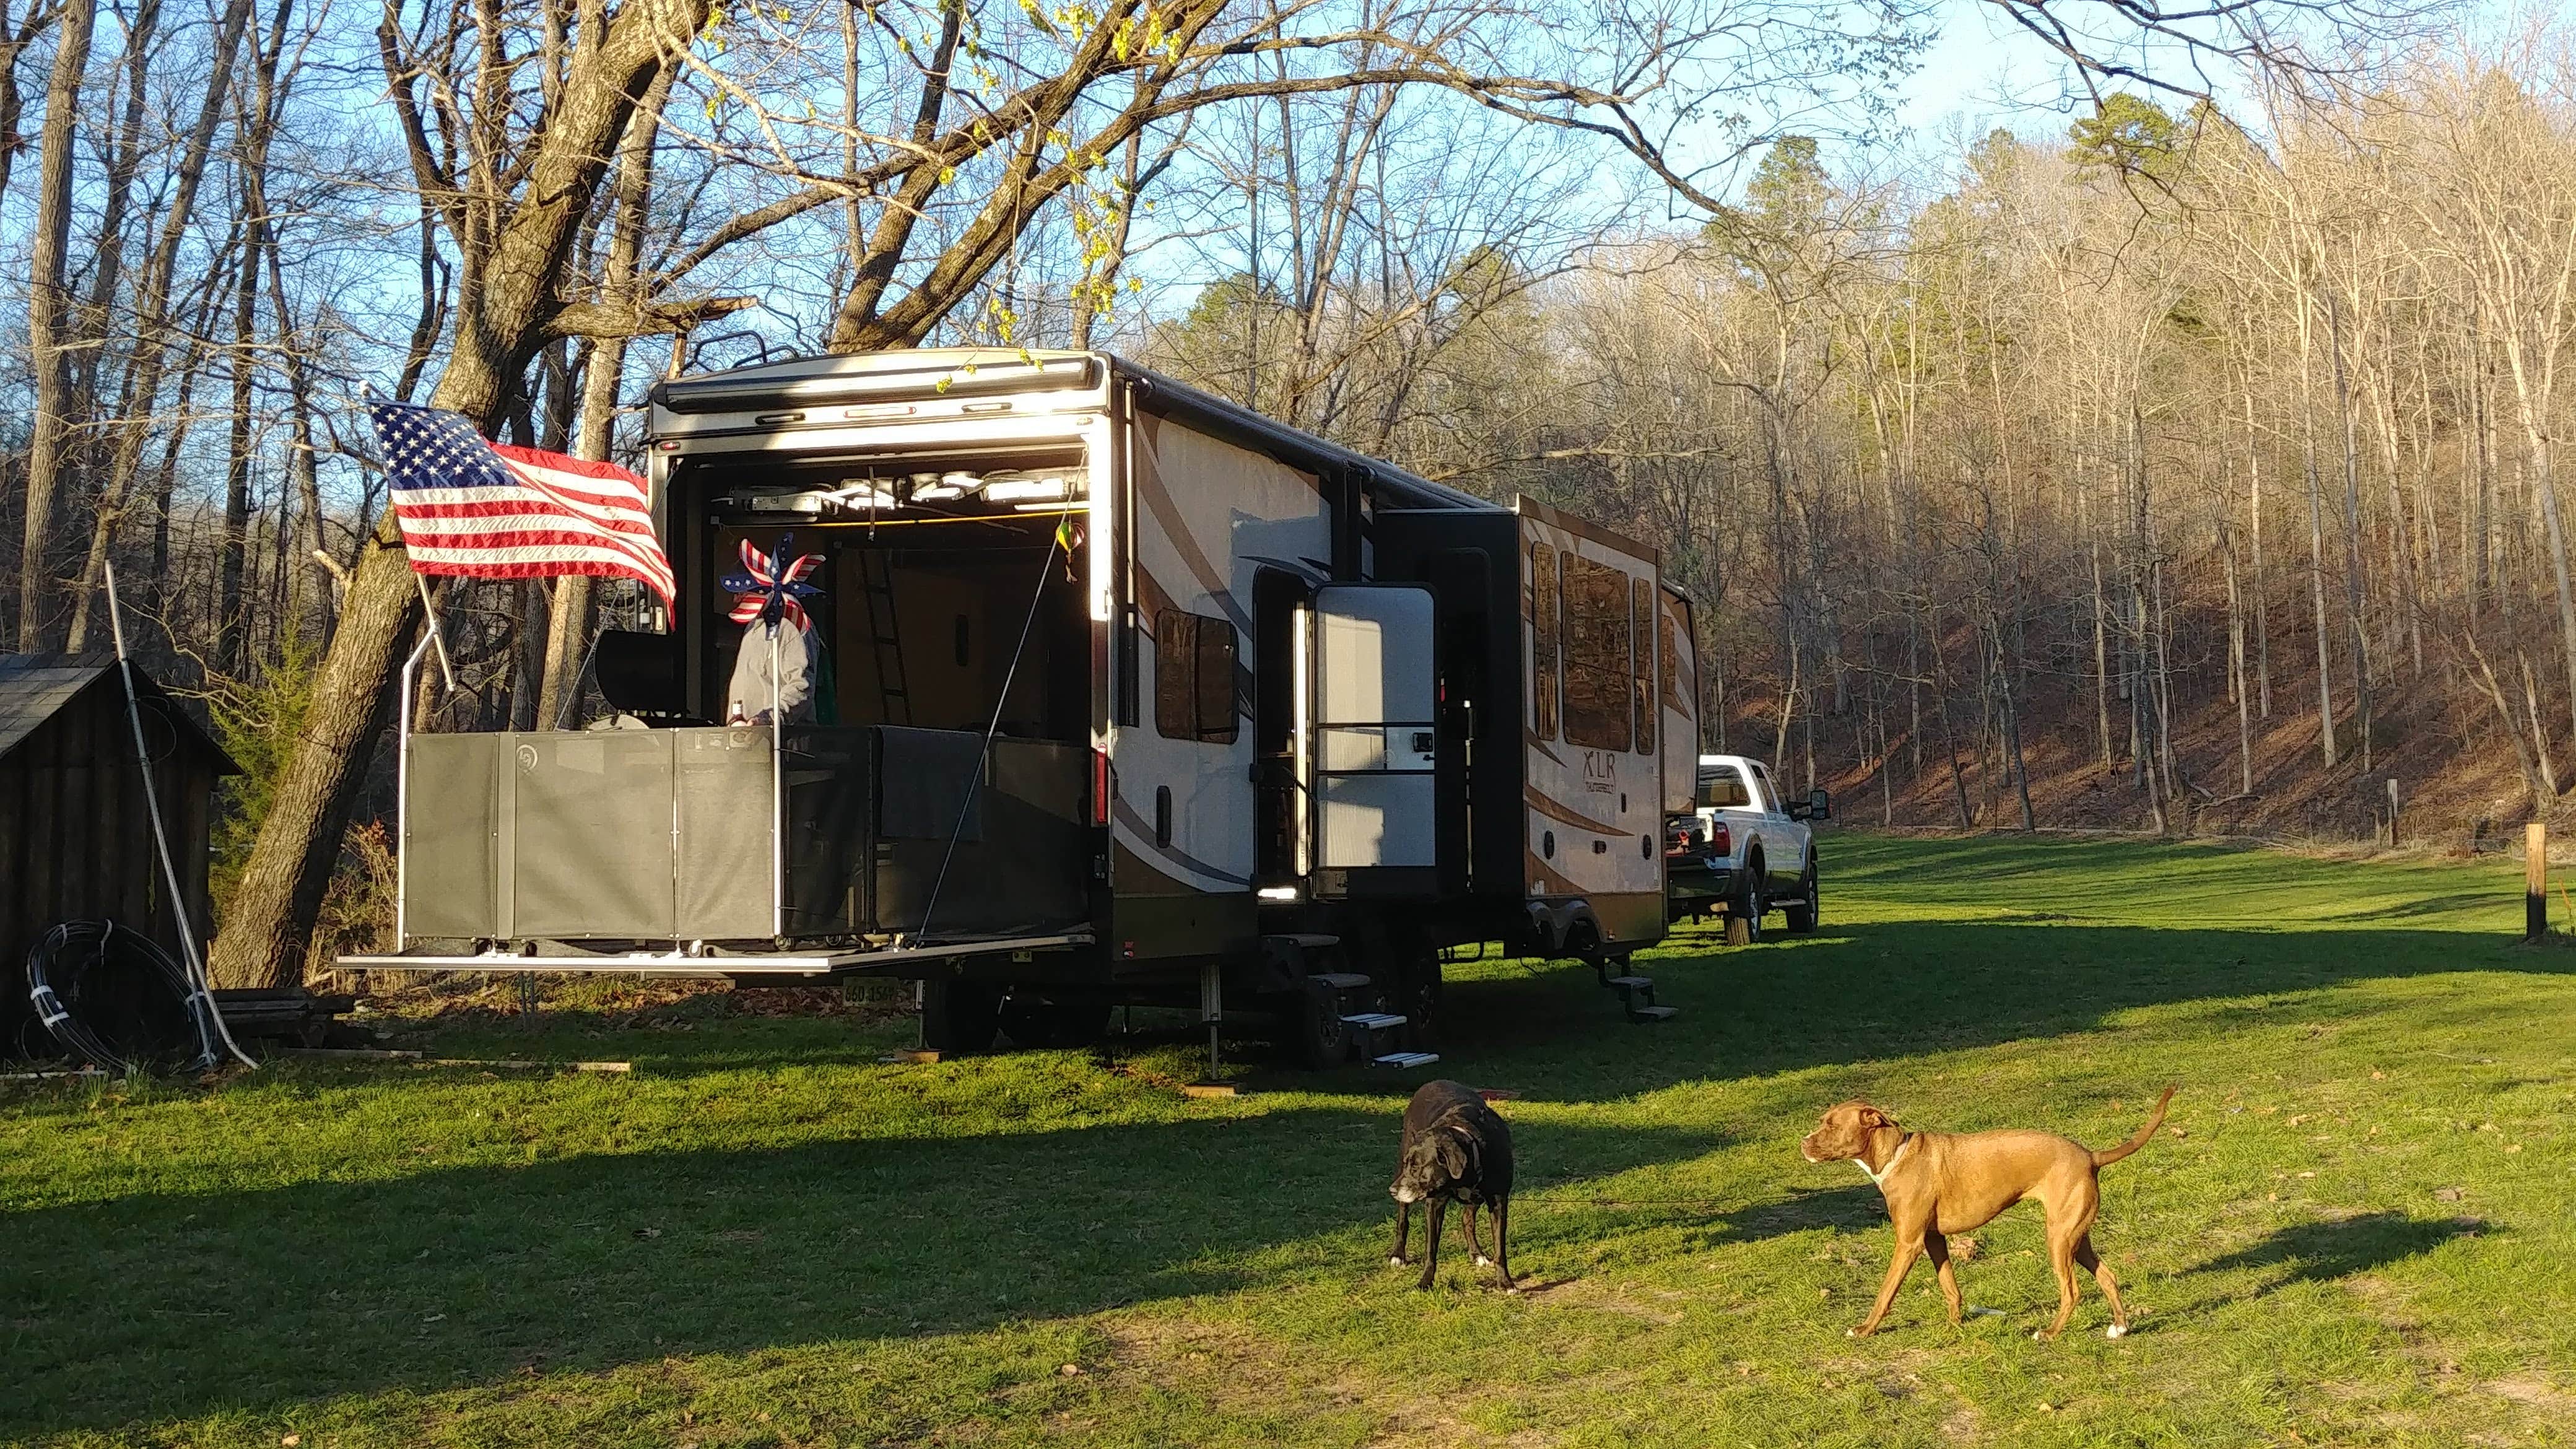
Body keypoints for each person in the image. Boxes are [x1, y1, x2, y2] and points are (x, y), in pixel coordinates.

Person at [726, 612, 816, 724]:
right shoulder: (752, 627)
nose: (736, 598)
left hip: (782, 737)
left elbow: (801, 685)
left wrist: (769, 718)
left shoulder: (792, 623)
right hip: (747, 736)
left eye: (740, 593)